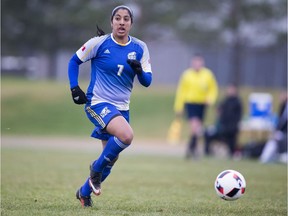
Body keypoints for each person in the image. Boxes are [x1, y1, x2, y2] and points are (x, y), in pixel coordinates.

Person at [68, 5, 152, 207]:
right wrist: (74, 88)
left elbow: (147, 81)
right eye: (118, 18)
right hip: (98, 103)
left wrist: (139, 71)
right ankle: (95, 169)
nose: (122, 22)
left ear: (131, 23)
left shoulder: (140, 47)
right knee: (126, 136)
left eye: (126, 19)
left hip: (122, 109)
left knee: (110, 160)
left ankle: (84, 192)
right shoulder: (99, 43)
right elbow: (73, 61)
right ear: (111, 22)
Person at [173, 54, 218, 159]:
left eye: (199, 62)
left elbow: (213, 89)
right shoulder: (187, 75)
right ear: (192, 63)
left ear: (202, 63)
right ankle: (193, 149)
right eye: (195, 62)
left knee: (197, 129)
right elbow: (181, 91)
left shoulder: (208, 74)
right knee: (194, 126)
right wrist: (179, 106)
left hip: (202, 104)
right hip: (190, 103)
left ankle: (191, 148)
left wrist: (210, 99)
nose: (197, 64)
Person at [204, 84, 243, 158]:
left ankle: (232, 153)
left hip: (230, 130)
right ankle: (207, 153)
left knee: (231, 137)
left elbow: (237, 118)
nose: (230, 91)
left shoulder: (237, 103)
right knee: (207, 133)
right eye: (229, 89)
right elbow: (218, 110)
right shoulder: (225, 101)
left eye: (232, 90)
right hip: (221, 129)